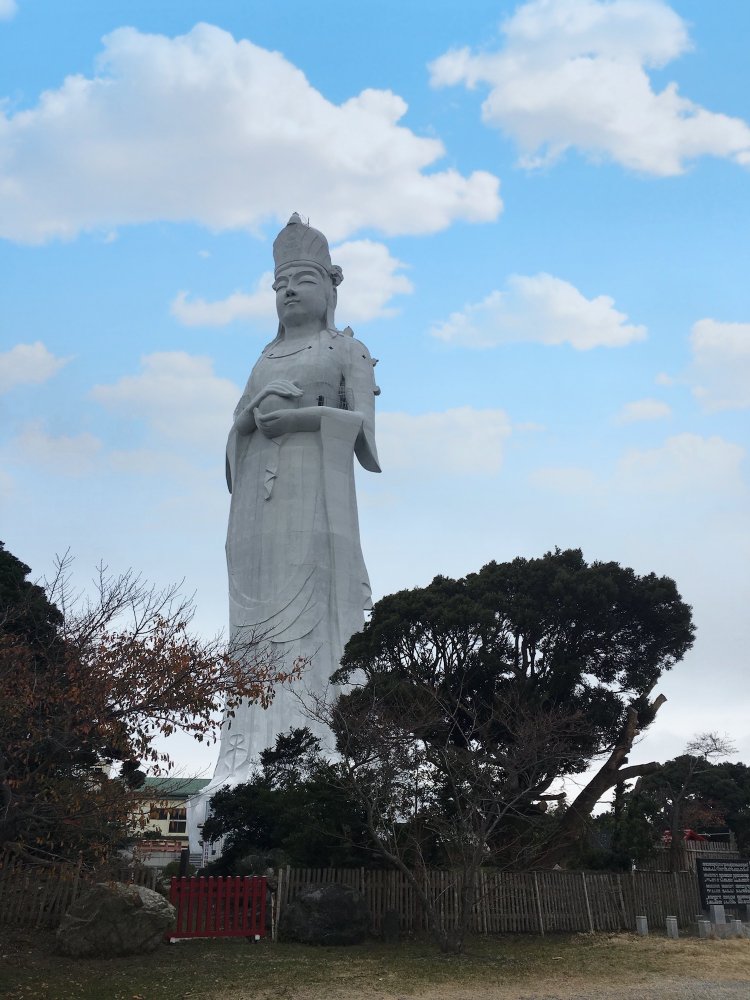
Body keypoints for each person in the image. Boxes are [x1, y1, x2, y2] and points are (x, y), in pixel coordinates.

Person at [209, 213, 381, 796]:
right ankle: (244, 761)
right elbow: (235, 428)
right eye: (279, 284)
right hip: (258, 506)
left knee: (317, 619)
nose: (288, 292)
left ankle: (323, 749)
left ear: (329, 289)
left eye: (302, 280)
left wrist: (304, 417)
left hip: (315, 496)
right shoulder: (263, 358)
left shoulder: (346, 349)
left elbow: (362, 432)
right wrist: (253, 415)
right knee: (252, 637)